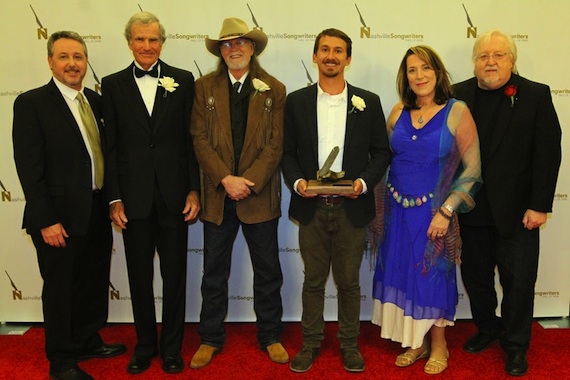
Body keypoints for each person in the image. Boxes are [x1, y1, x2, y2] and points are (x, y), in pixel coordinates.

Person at [12, 31, 126, 380]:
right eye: (64, 57)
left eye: (78, 56)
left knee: (92, 280)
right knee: (61, 288)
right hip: (57, 217)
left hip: (95, 209)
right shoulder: (32, 103)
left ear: (86, 62)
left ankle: (87, 339)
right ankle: (61, 359)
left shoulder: (95, 100)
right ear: (50, 61)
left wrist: (111, 201)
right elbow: (29, 169)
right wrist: (46, 219)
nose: (72, 63)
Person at [281, 28, 391, 373]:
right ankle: (310, 343)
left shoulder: (368, 101)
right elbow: (286, 153)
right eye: (324, 49)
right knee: (313, 281)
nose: (331, 56)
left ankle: (348, 344)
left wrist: (363, 182)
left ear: (348, 59)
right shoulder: (296, 101)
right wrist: (298, 182)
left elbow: (381, 152)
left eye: (338, 51)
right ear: (315, 56)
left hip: (352, 209)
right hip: (311, 208)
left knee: (348, 281)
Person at [454, 30, 561, 376]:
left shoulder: (535, 95)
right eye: (484, 55)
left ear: (512, 60)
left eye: (499, 55)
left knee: (519, 282)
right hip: (471, 209)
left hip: (518, 212)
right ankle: (488, 327)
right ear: (475, 61)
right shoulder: (458, 95)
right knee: (476, 276)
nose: (491, 62)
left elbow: (548, 153)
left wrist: (540, 205)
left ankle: (516, 345)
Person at [370, 45, 482, 375]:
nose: (419, 75)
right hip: (396, 212)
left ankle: (439, 344)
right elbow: (382, 159)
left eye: (425, 68)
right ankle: (415, 342)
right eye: (412, 70)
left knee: (432, 278)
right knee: (404, 275)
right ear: (405, 77)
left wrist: (447, 211)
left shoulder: (457, 110)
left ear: (438, 73)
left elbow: (472, 169)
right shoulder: (396, 112)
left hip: (434, 214)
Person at [102, 12, 200, 375]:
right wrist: (114, 198)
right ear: (129, 41)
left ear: (162, 42)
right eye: (140, 39)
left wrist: (193, 189)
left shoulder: (184, 80)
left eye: (153, 39)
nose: (147, 46)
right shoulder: (111, 85)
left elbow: (192, 142)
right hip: (133, 200)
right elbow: (109, 147)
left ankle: (172, 348)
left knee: (176, 278)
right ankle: (144, 346)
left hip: (175, 198)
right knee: (139, 278)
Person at [188, 17, 288, 369]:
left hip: (258, 195)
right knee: (214, 272)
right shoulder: (203, 88)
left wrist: (248, 181)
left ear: (253, 47)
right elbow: (199, 139)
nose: (234, 49)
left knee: (268, 271)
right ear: (220, 50)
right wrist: (226, 179)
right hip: (218, 195)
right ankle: (210, 337)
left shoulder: (273, 89)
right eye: (227, 44)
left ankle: (271, 336)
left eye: (240, 43)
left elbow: (275, 146)